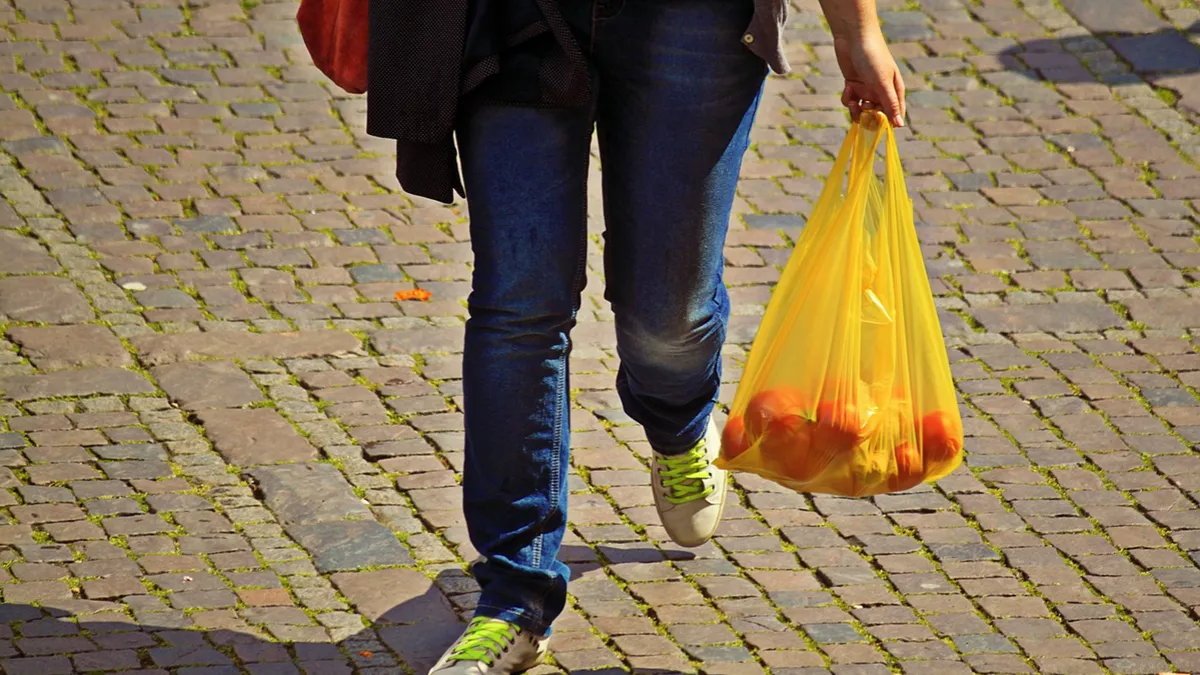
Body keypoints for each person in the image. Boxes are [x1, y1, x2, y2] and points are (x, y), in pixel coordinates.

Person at [380, 0, 908, 672]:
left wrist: (855, 29)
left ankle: (677, 417)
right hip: (513, 14)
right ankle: (515, 596)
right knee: (519, 303)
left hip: (693, 18)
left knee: (668, 316)